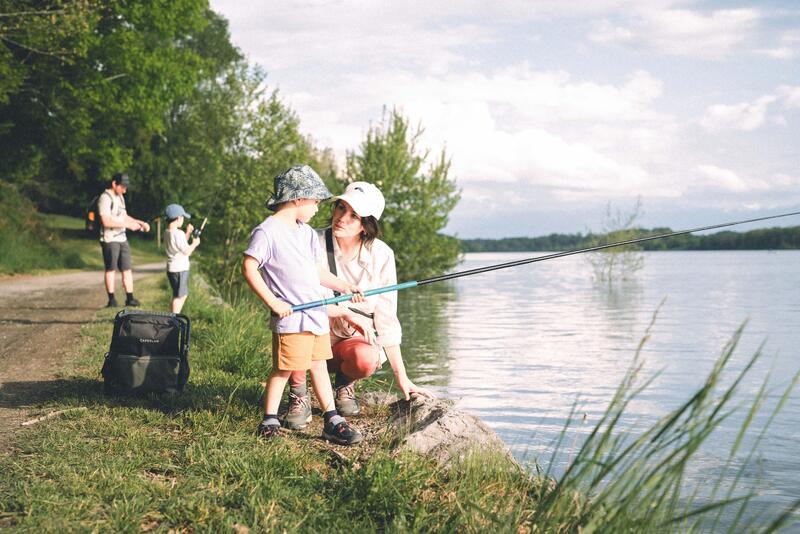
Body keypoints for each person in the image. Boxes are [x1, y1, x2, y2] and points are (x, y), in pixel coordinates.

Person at [283, 181, 433, 431]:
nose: (342, 218)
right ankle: (298, 394)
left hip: (348, 341)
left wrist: (402, 378)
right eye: (341, 207)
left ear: (367, 225)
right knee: (297, 327)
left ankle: (344, 383)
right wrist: (342, 311)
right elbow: (295, 301)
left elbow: (386, 318)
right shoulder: (309, 239)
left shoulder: (382, 254)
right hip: (311, 332)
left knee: (366, 359)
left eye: (354, 215)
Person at [241, 164, 366, 445]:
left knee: (318, 365)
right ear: (298, 198)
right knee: (284, 369)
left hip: (315, 315)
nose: (318, 208)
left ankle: (332, 420)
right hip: (291, 319)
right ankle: (269, 419)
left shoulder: (307, 233)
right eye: (316, 201)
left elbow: (317, 272)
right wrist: (273, 302)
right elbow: (249, 267)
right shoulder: (267, 231)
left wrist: (345, 286)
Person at [98, 172, 150, 307]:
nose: (125, 190)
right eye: (123, 186)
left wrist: (140, 223)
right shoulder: (105, 198)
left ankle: (130, 299)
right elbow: (105, 221)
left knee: (127, 269)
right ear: (114, 184)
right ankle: (112, 300)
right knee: (111, 269)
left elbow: (125, 216)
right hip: (110, 239)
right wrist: (127, 225)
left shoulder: (120, 197)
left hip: (122, 239)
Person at [164, 204, 200, 313]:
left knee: (178, 294)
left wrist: (188, 233)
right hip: (179, 269)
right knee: (180, 296)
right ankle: (173, 318)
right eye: (183, 217)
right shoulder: (178, 233)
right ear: (178, 218)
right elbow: (186, 251)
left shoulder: (167, 232)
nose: (183, 220)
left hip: (172, 269)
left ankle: (172, 317)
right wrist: (194, 244)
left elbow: (180, 245)